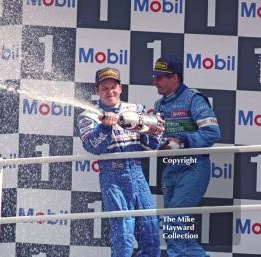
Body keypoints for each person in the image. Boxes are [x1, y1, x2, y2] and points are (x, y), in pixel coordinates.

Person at [77, 67, 163, 257]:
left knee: (150, 234)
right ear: (96, 91)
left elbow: (152, 144)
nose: (110, 92)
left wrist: (155, 129)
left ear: (121, 88)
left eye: (113, 87)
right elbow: (92, 147)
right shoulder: (88, 116)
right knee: (123, 237)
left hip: (138, 174)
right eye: (105, 88)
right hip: (113, 177)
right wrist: (105, 128)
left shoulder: (135, 109)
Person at [152, 54, 220, 257]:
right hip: (170, 169)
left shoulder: (193, 98)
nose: (155, 81)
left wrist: (181, 140)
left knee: (175, 222)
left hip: (193, 166)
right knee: (174, 231)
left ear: (175, 78)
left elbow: (212, 133)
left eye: (160, 77)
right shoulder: (158, 105)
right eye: (155, 76)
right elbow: (160, 139)